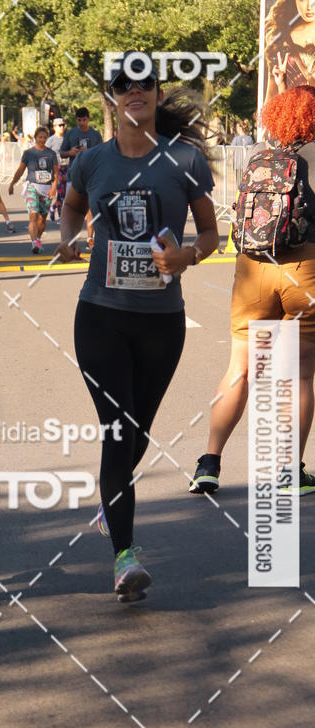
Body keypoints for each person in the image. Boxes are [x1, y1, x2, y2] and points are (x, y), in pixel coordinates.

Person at [56, 52, 218, 602]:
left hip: (162, 322)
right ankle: (124, 557)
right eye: (123, 84)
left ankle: (110, 504)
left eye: (144, 82)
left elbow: (211, 234)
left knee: (138, 430)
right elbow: (72, 208)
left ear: (156, 92)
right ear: (112, 96)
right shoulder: (92, 161)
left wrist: (186, 258)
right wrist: (71, 236)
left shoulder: (185, 160)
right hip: (100, 315)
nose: (134, 91)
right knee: (118, 428)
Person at [190, 85, 315, 497]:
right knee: (299, 374)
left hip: (253, 270)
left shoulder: (261, 155)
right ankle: (288, 473)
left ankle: (208, 463)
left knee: (240, 367)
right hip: (304, 271)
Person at [8, 126, 58, 253]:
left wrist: (53, 188)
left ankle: (37, 239)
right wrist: (12, 183)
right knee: (33, 215)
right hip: (32, 186)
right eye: (40, 137)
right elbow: (20, 170)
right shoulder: (28, 153)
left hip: (46, 188)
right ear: (35, 138)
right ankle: (34, 242)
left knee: (42, 219)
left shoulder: (51, 154)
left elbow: (56, 174)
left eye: (44, 137)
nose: (42, 140)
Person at [60, 107, 102, 249]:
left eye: (84, 120)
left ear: (88, 119)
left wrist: (89, 152)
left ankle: (90, 238)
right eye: (79, 120)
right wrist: (71, 152)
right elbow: (62, 153)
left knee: (91, 209)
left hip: (92, 176)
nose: (82, 123)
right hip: (74, 175)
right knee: (72, 207)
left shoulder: (95, 135)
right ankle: (69, 241)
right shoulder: (71, 133)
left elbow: (102, 153)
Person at [265, 0, 315, 103]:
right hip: (295, 114)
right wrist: (282, 84)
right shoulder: (281, 38)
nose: (309, 6)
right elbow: (271, 98)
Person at [46, 117, 68, 221]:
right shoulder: (51, 140)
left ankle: (53, 207)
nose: (62, 127)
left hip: (67, 167)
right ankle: (60, 215)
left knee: (65, 193)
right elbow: (45, 153)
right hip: (56, 169)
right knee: (60, 192)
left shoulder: (68, 138)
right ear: (54, 127)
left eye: (63, 125)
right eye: (60, 125)